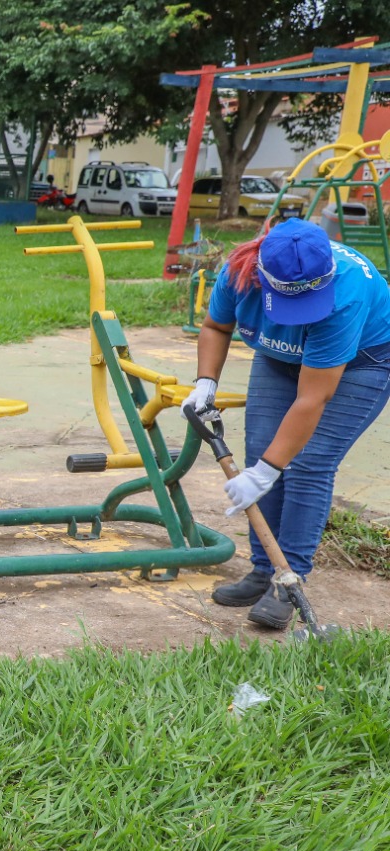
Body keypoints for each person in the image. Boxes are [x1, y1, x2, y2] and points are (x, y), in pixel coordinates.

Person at [181, 218, 390, 628]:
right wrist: (205, 383)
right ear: (261, 275)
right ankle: (264, 569)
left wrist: (266, 473)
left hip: (362, 364)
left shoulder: (347, 292)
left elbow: (313, 397)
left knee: (307, 462)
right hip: (279, 356)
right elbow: (215, 326)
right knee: (261, 448)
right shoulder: (239, 274)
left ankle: (289, 580)